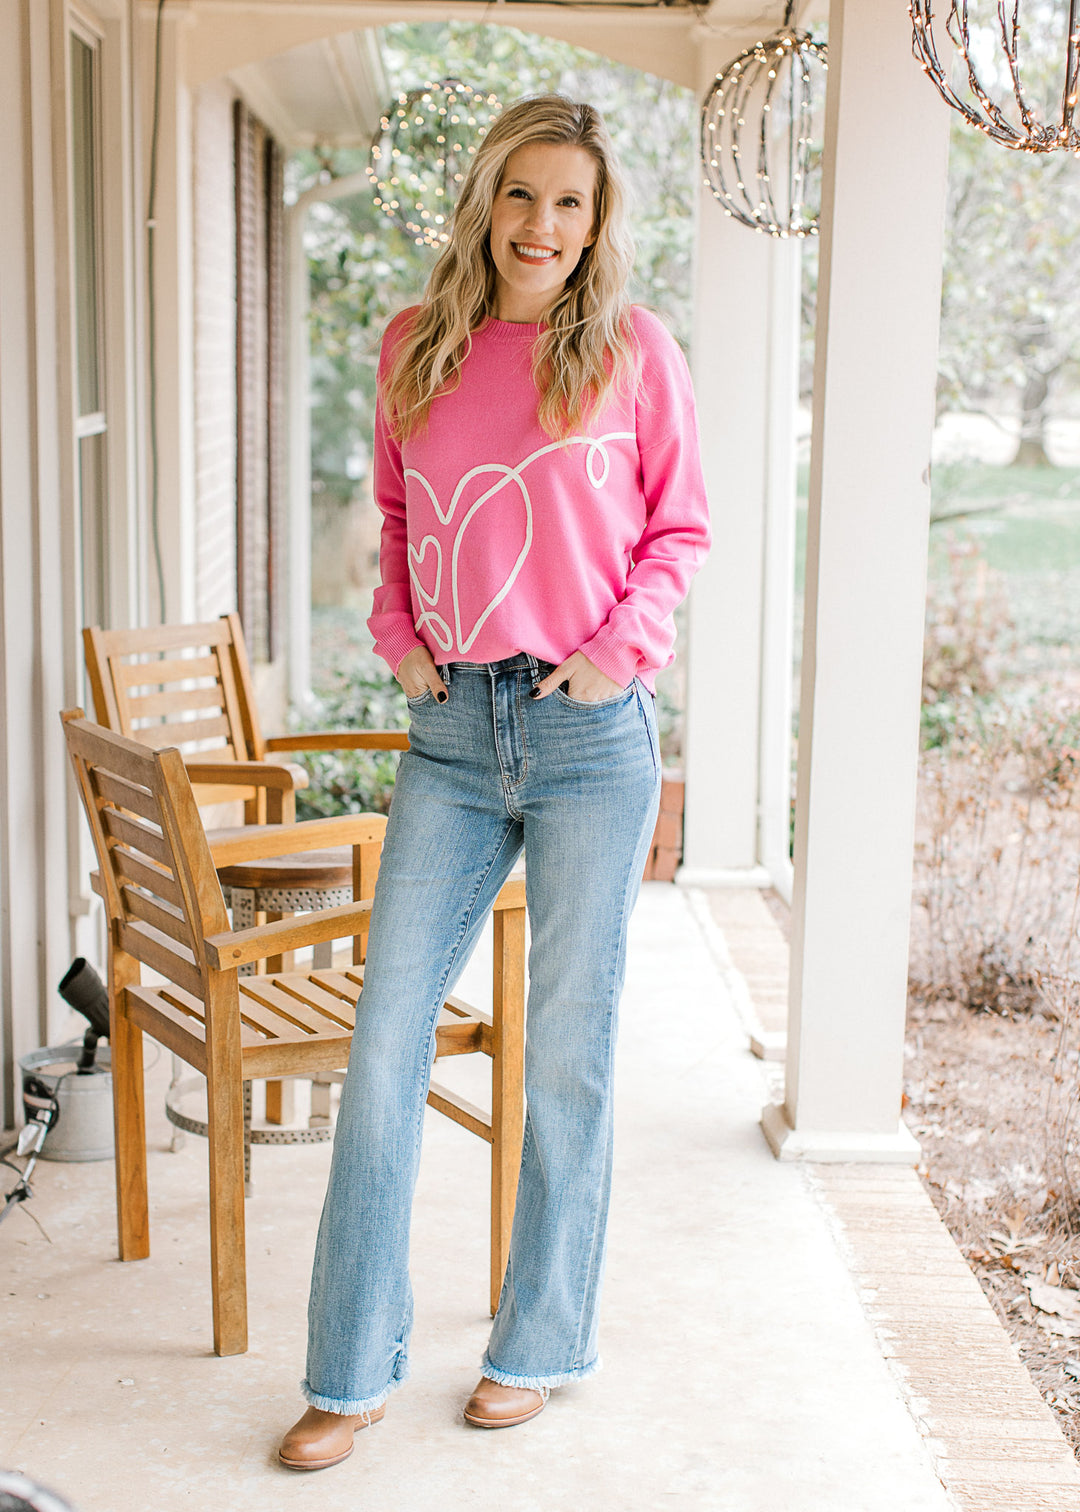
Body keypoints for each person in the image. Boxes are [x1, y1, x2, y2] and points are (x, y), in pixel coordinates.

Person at [278, 93, 710, 1472]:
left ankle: (536, 1346)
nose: (542, 226)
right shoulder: (418, 344)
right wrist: (401, 645)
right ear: (487, 202)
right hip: (454, 739)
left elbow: (677, 531)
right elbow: (397, 527)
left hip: (592, 739)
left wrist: (609, 658)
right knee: (385, 1041)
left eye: (570, 203)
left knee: (567, 1062)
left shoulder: (636, 352)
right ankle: (348, 1373)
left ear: (599, 222)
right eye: (521, 196)